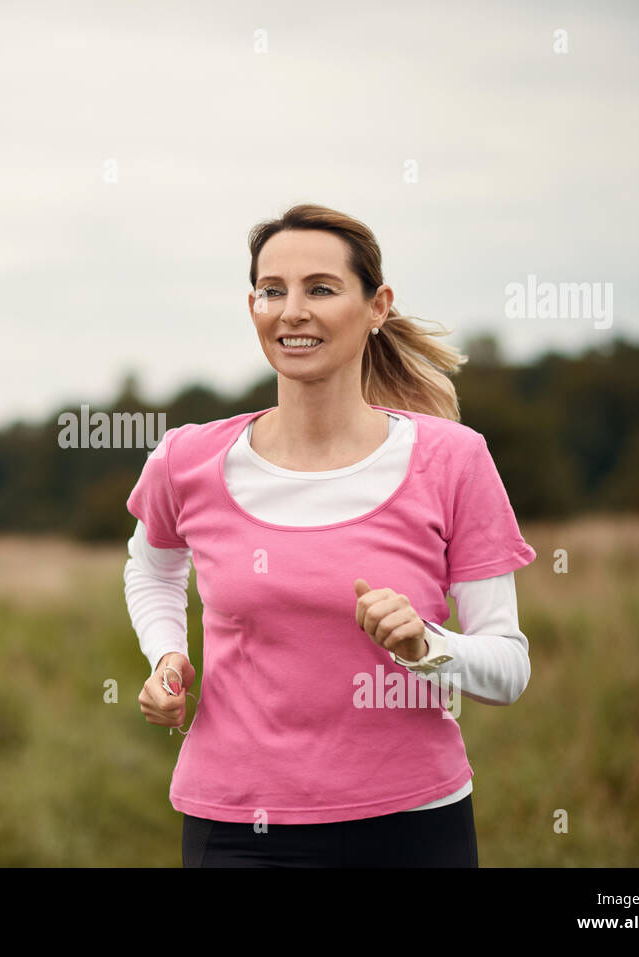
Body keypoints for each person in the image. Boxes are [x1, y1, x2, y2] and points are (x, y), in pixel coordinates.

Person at [125, 203, 537, 867]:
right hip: (236, 828)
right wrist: (165, 656)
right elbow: (151, 564)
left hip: (411, 826)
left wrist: (425, 644)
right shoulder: (187, 460)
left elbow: (508, 670)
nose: (292, 310)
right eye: (272, 290)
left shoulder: (454, 460)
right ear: (252, 305)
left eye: (321, 288)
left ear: (377, 306)